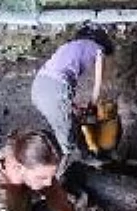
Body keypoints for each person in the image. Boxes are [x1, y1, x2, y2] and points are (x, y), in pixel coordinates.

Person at [31, 24, 114, 156]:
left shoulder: (70, 46)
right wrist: (92, 103)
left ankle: (83, 153)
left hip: (38, 87)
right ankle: (67, 166)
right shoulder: (99, 49)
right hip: (55, 89)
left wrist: (73, 107)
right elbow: (98, 83)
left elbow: (57, 79)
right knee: (66, 137)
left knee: (69, 125)